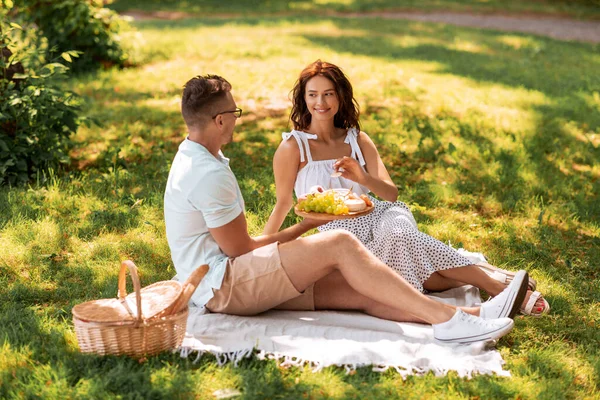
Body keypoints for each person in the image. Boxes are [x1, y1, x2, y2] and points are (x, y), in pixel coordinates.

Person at [163, 73, 530, 345]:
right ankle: (451, 319)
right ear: (220, 120)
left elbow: (387, 191)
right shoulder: (208, 174)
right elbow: (240, 251)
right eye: (235, 111)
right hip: (223, 286)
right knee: (338, 241)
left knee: (365, 287)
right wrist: (308, 226)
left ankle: (474, 316)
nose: (238, 118)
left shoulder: (196, 157)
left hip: (221, 281)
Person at [263, 60, 549, 317]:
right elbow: (283, 204)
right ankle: (490, 274)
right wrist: (261, 251)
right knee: (400, 267)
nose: (320, 102)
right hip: (338, 234)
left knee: (399, 235)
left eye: (328, 93)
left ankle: (495, 287)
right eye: (312, 94)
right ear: (303, 98)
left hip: (381, 214)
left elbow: (390, 193)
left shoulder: (358, 140)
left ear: (340, 97)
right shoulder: (293, 148)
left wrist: (363, 178)